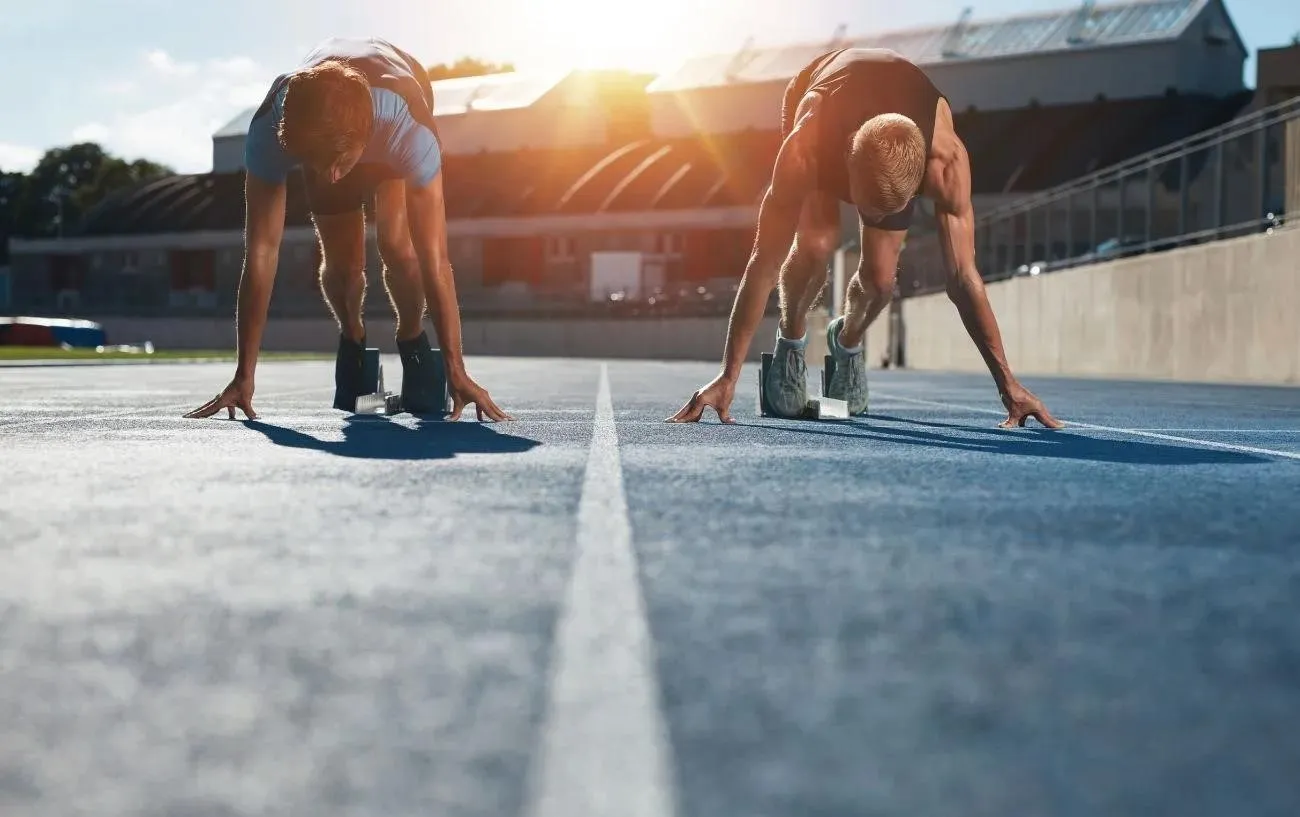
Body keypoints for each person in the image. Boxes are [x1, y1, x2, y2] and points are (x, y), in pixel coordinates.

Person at [668, 48, 1062, 429]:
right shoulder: (807, 147)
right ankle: (791, 339)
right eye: (862, 205)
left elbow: (964, 278)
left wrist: (1008, 384)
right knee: (817, 245)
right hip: (822, 93)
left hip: (892, 125)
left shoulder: (947, 162)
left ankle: (848, 342)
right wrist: (728, 375)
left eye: (882, 213)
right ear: (847, 161)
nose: (867, 219)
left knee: (880, 281)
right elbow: (764, 261)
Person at [185, 37, 510, 422]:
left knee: (398, 247)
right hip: (325, 123)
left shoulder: (407, 127)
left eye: (340, 163)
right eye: (319, 165)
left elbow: (435, 259)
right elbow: (260, 255)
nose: (333, 176)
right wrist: (243, 376)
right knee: (343, 267)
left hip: (390, 116)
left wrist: (456, 369)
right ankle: (353, 338)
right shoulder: (271, 128)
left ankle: (411, 339)